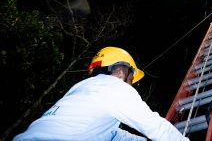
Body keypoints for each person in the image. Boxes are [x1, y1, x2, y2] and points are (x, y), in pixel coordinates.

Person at [13, 46, 189, 141]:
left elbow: (110, 135)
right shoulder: (113, 87)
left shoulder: (80, 90)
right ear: (120, 73)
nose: (131, 85)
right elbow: (154, 126)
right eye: (131, 78)